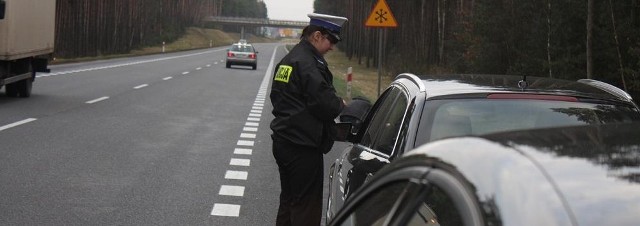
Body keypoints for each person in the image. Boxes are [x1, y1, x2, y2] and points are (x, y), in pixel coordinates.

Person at [269, 13, 348, 226]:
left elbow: (276, 97)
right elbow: (326, 105)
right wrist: (340, 104)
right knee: (306, 207)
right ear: (316, 36)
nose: (331, 47)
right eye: (330, 40)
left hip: (284, 142)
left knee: (289, 201)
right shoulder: (309, 64)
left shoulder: (290, 60)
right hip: (302, 146)